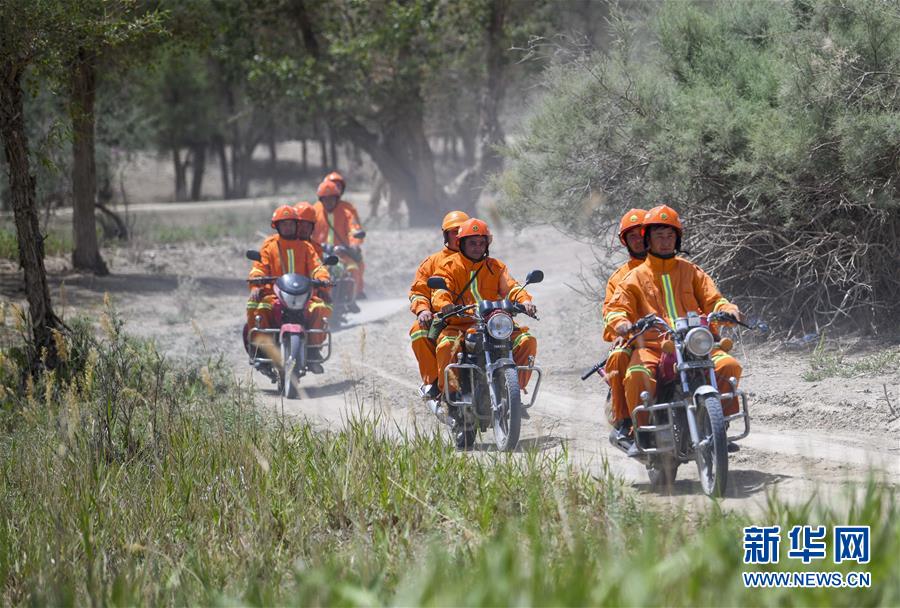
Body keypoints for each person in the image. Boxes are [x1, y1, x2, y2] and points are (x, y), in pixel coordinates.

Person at [605, 205, 743, 450]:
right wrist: (621, 322)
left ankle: (718, 427)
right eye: (659, 236)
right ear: (648, 239)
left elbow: (714, 299)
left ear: (678, 239)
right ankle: (640, 433)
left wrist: (728, 309)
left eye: (670, 236)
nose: (665, 241)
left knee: (729, 365)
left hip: (693, 342)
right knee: (636, 375)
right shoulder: (632, 277)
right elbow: (615, 308)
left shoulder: (691, 271)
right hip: (651, 346)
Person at [430, 218, 538, 397]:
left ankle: (513, 393)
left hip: (495, 324)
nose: (477, 247)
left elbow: (512, 287)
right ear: (461, 243)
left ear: (487, 245)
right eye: (472, 243)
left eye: (481, 243)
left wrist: (525, 301)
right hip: (460, 325)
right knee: (446, 346)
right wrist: (445, 304)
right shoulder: (448, 266)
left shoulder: (496, 267)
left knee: (527, 341)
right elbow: (440, 291)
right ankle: (450, 396)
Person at [246, 205, 331, 374]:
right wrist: (256, 285)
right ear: (277, 226)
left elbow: (317, 266)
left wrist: (323, 278)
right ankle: (261, 351)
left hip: (304, 296)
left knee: (320, 307)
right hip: (274, 295)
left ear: (296, 225)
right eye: (283, 224)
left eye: (291, 223)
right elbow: (259, 267)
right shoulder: (270, 246)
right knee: (257, 307)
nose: (287, 227)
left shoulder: (306, 247)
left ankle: (313, 350)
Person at [407, 210, 470, 400]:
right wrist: (423, 310)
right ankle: (435, 382)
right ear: (446, 235)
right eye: (454, 232)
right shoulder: (432, 262)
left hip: (476, 318)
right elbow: (418, 291)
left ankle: (507, 387)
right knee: (418, 331)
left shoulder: (480, 259)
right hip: (441, 319)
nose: (458, 236)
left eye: (462, 231)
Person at [601, 209, 647, 441]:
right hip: (634, 338)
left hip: (670, 335)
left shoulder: (674, 267)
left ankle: (713, 420)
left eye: (642, 234)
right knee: (617, 356)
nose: (638, 240)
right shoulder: (619, 277)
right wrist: (619, 329)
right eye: (632, 236)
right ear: (625, 241)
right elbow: (610, 311)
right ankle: (623, 420)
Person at [313, 176, 366, 298]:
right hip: (319, 254)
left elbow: (354, 229)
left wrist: (354, 245)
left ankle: (352, 298)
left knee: (353, 268)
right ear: (321, 200)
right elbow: (306, 228)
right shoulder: (315, 211)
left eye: (332, 199)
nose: (329, 202)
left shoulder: (346, 211)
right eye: (325, 199)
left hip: (342, 254)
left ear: (337, 198)